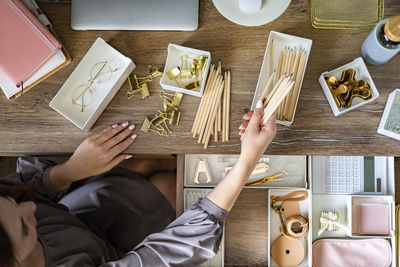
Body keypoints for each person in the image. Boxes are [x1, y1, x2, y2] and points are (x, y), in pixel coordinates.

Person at [0, 99, 276, 267]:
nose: (30, 208)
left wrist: (69, 171)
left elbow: (28, 188)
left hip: (76, 216)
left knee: (145, 164)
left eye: (11, 200)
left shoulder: (22, 211)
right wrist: (247, 161)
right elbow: (177, 250)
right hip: (112, 254)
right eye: (23, 228)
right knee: (168, 185)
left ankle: (166, 165)